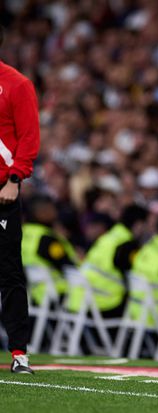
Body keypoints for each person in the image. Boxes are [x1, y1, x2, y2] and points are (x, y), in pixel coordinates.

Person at [0, 25, 41, 374]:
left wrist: (15, 178)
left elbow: (29, 136)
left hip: (2, 191)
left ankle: (18, 353)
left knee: (9, 272)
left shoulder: (17, 84)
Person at [65, 204, 148, 319]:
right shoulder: (126, 245)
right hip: (104, 303)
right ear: (138, 224)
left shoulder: (108, 237)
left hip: (79, 299)